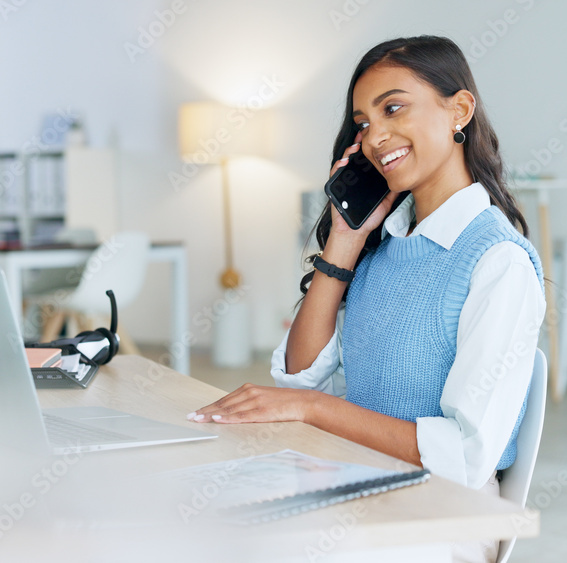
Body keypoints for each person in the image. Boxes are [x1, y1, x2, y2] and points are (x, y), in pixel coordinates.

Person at [187, 35, 545, 562]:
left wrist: (313, 409)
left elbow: (464, 456)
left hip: (441, 514)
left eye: (392, 108)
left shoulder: (499, 263)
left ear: (459, 110)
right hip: (355, 480)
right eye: (363, 123)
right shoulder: (386, 246)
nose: (375, 136)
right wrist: (345, 241)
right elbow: (299, 374)